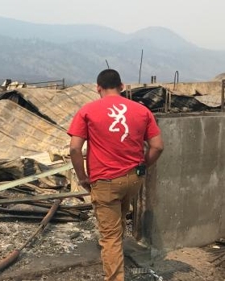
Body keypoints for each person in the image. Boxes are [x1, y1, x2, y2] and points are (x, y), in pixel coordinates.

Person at [67, 69, 164, 281]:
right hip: (133, 178)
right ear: (122, 86)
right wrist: (143, 166)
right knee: (119, 217)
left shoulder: (87, 110)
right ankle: (118, 250)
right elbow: (157, 147)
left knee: (109, 236)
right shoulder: (142, 110)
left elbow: (75, 149)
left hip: (105, 181)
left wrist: (82, 177)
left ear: (98, 88)